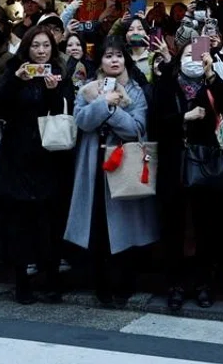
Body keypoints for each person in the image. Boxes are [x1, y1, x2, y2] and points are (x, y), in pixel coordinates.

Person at [65, 36, 158, 307]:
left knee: (124, 227)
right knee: (96, 226)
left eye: (119, 56)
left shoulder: (137, 91)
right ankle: (101, 284)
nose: (114, 60)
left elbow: (135, 128)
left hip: (124, 162)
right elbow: (81, 121)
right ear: (100, 61)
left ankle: (124, 283)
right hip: (93, 163)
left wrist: (112, 109)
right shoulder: (86, 88)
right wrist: (103, 102)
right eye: (108, 56)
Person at [0, 26, 74, 305]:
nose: (41, 51)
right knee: (19, 224)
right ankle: (21, 283)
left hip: (49, 156)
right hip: (17, 157)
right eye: (36, 46)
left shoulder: (59, 72)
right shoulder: (14, 70)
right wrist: (16, 80)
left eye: (46, 46)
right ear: (26, 48)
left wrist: (52, 92)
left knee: (48, 222)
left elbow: (65, 110)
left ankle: (51, 280)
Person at [154, 38, 223, 311]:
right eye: (187, 54)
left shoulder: (211, 83)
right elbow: (154, 122)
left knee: (206, 227)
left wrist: (212, 74)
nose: (193, 59)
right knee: (175, 227)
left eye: (198, 55)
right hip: (174, 166)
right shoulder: (168, 82)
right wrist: (183, 118)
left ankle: (203, 283)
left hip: (205, 166)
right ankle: (175, 285)